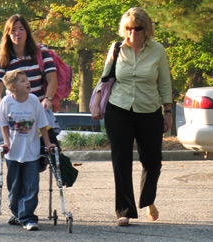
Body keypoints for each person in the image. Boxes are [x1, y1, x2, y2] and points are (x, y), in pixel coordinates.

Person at [91, 7, 172, 226]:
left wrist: (168, 111)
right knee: (121, 161)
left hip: (149, 110)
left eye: (137, 28)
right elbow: (105, 76)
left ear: (146, 29)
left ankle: (148, 200)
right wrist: (97, 102)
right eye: (128, 28)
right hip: (119, 109)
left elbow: (164, 83)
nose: (132, 33)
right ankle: (124, 211)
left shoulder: (157, 50)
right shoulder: (116, 48)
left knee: (152, 161)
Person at [0, 69, 56, 231]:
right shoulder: (6, 102)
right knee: (14, 187)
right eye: (23, 81)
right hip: (13, 154)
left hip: (31, 153)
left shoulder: (34, 100)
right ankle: (17, 213)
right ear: (13, 87)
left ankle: (28, 217)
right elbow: (2, 124)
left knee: (31, 187)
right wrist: (6, 142)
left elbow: (43, 124)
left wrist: (49, 143)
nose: (28, 82)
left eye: (27, 79)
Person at [0, 14, 57, 111]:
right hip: (14, 111)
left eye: (21, 29)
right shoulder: (2, 59)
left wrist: (47, 99)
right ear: (8, 34)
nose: (17, 33)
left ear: (27, 32)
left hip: (39, 109)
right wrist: (1, 103)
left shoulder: (40, 52)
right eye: (13, 30)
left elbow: (52, 79)